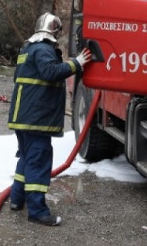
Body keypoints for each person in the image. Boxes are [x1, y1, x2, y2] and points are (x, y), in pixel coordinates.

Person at [7, 12, 92, 226]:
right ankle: (37, 211)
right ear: (55, 31)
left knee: (27, 159)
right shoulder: (44, 49)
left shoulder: (28, 48)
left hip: (23, 118)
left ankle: (16, 199)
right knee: (38, 162)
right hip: (36, 119)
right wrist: (76, 63)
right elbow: (50, 71)